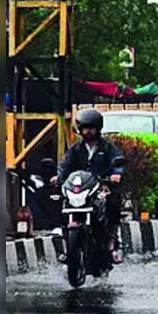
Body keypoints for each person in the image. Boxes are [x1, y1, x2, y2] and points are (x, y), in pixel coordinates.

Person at [54, 108, 125, 263]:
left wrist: (116, 174)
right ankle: (64, 241)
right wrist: (58, 177)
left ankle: (112, 241)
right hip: (80, 188)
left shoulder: (107, 147)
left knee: (112, 202)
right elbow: (64, 166)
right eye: (85, 128)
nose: (88, 132)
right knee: (60, 202)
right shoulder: (76, 149)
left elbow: (117, 161)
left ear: (98, 128)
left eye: (91, 128)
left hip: (101, 187)